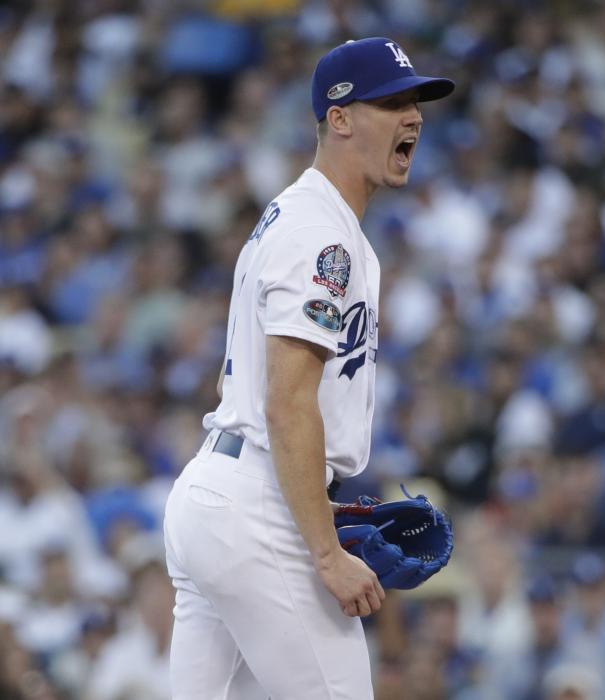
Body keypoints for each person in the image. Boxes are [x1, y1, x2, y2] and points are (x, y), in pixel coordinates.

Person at [162, 37, 454, 699]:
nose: (414, 117)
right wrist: (324, 550)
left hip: (223, 490)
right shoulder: (321, 233)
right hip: (260, 504)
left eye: (416, 103)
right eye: (393, 102)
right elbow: (288, 401)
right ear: (341, 117)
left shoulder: (304, 219)